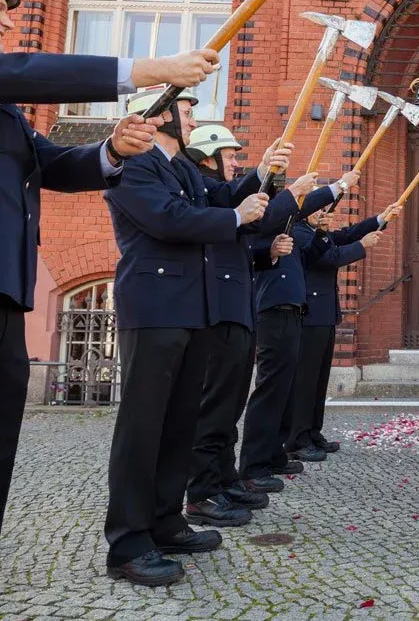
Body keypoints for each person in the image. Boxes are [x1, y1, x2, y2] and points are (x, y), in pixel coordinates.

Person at [0, 0, 212, 619]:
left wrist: (109, 152)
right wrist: (144, 68)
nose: (9, 22)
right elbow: (18, 71)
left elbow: (46, 162)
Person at [102, 88, 293, 586]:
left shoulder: (184, 167)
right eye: (185, 111)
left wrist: (261, 173)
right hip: (154, 306)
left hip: (191, 309)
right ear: (157, 114)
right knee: (143, 428)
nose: (191, 119)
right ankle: (127, 542)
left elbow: (220, 197)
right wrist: (235, 217)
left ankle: (166, 521)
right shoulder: (135, 163)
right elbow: (168, 219)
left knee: (178, 423)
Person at [182, 124, 322, 528]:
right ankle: (202, 491)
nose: (234, 162)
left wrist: (268, 175)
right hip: (219, 308)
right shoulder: (204, 192)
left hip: (238, 307)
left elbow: (249, 241)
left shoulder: (222, 194)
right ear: (207, 158)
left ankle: (222, 480)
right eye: (228, 156)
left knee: (229, 406)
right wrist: (288, 190)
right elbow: (253, 221)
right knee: (214, 408)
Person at [240, 171, 359, 489]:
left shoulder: (285, 226)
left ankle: (274, 453)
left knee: (284, 389)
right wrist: (338, 187)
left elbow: (311, 252)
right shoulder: (267, 222)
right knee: (270, 390)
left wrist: (322, 228)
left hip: (293, 309)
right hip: (274, 311)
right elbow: (291, 210)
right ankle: (253, 464)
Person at [285, 200, 400, 462]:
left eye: (324, 209)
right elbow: (330, 257)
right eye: (316, 209)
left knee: (318, 380)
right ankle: (296, 439)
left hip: (324, 314)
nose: (322, 213)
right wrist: (363, 246)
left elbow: (345, 235)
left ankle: (313, 432)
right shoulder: (300, 233)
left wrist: (380, 217)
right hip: (309, 315)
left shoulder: (318, 232)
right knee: (305, 382)